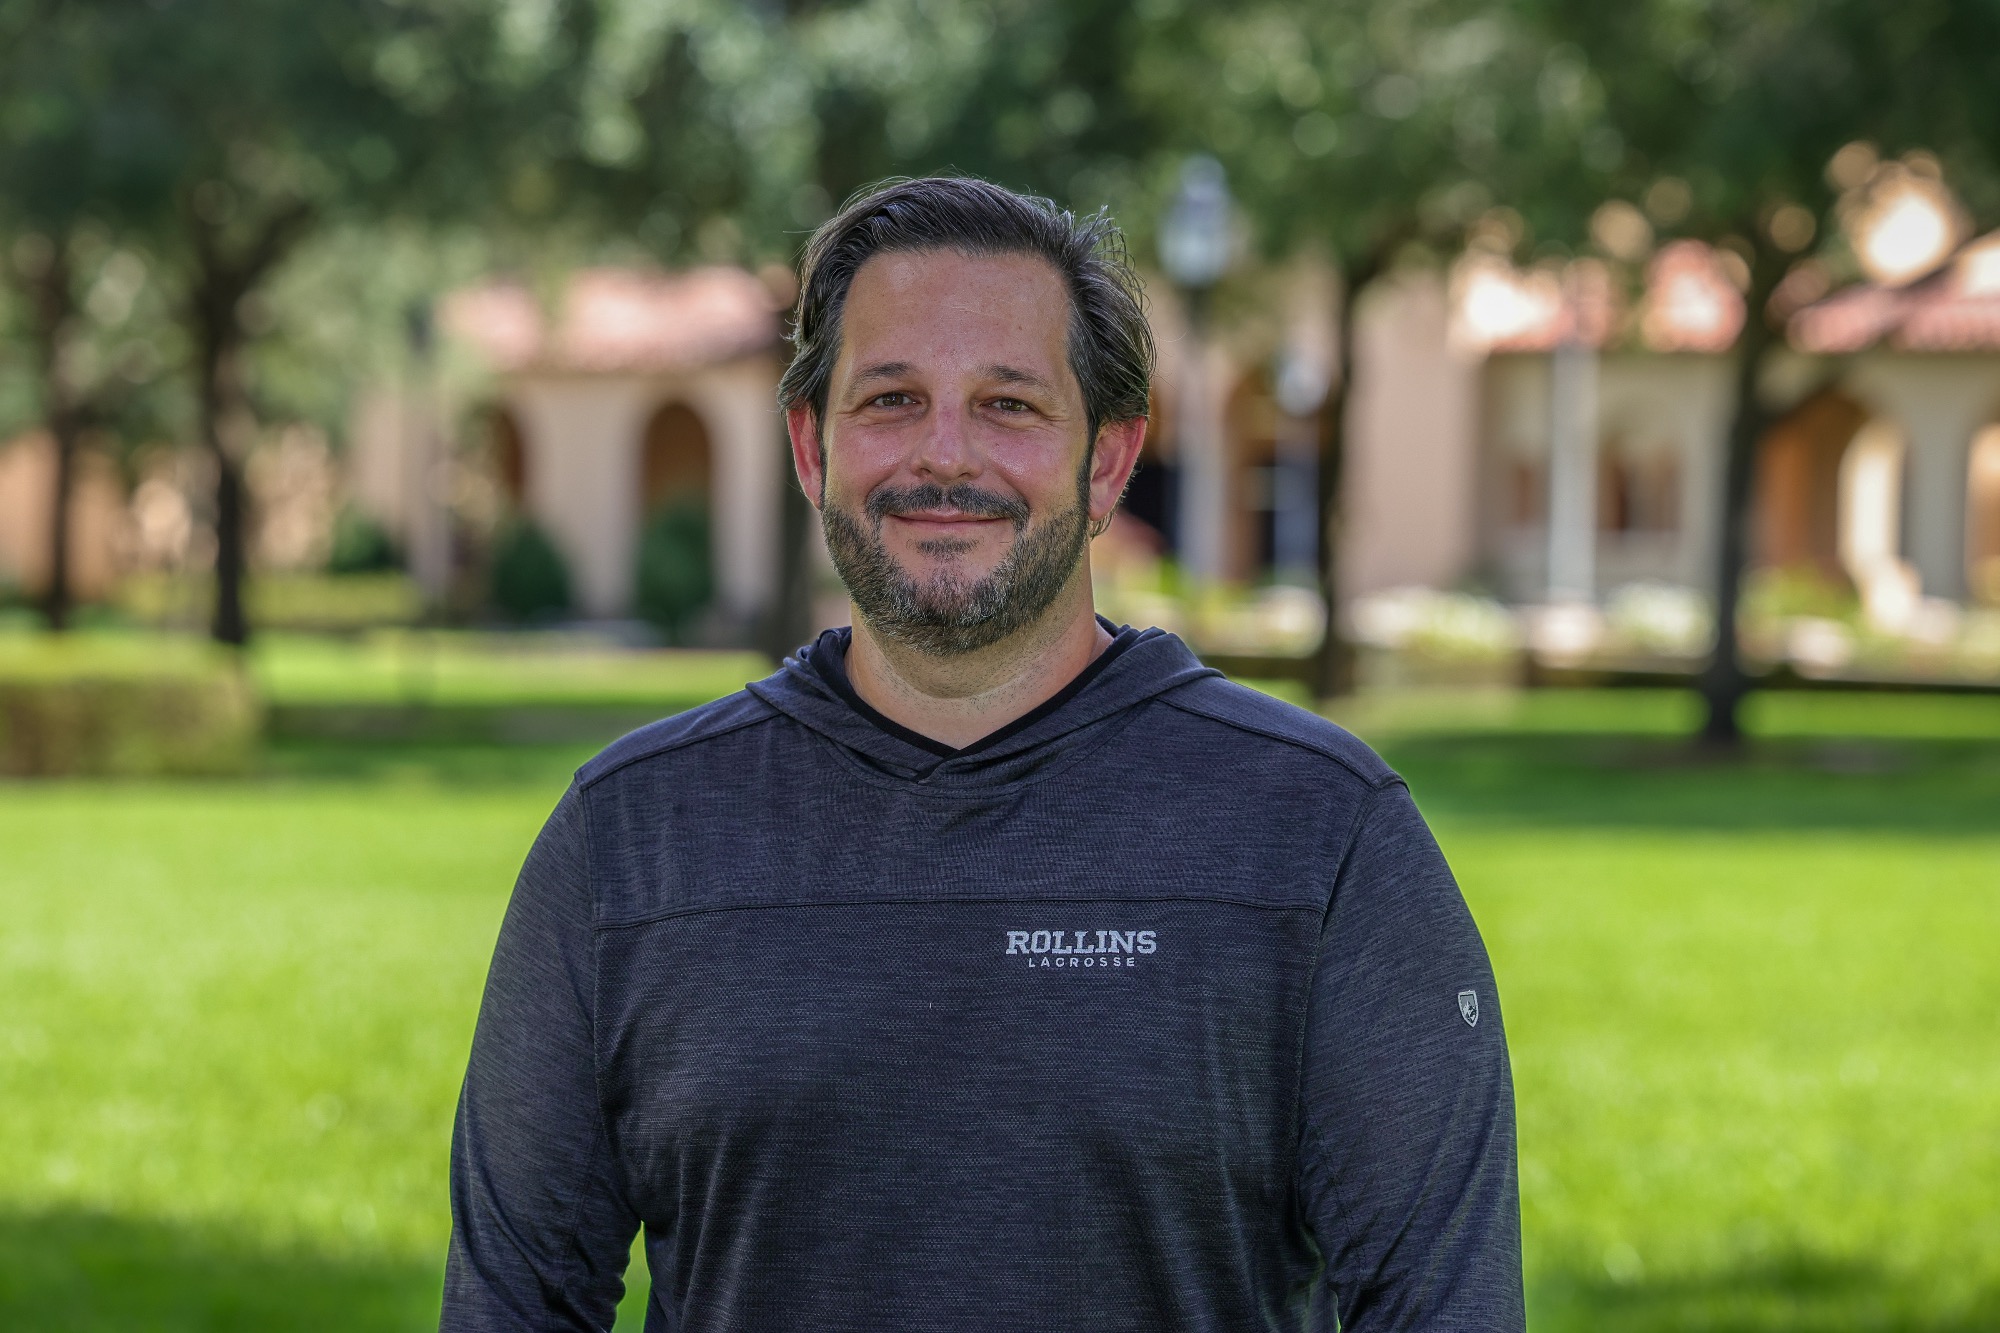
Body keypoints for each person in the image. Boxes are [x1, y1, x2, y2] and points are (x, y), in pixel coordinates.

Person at [442, 176, 1523, 1332]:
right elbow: (514, 1304)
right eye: (890, 399)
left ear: (1106, 461)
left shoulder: (1321, 838)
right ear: (811, 448)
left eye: (1008, 404)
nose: (942, 455)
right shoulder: (629, 842)